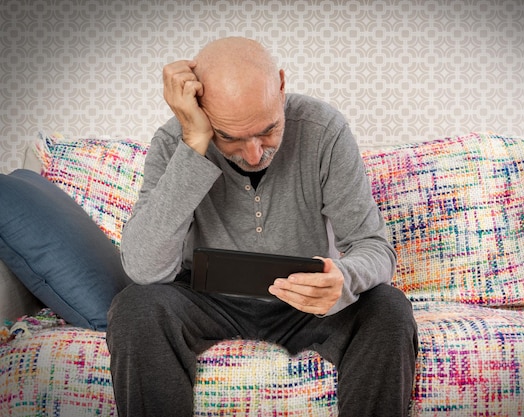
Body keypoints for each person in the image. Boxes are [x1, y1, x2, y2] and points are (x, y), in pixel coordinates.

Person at [106, 36, 417, 417]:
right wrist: (195, 144)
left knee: (388, 307)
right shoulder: (176, 142)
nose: (254, 154)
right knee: (135, 308)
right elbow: (144, 268)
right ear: (201, 111)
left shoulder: (324, 130)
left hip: (305, 305)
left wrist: (344, 277)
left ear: (282, 85)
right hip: (208, 302)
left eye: (268, 130)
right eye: (230, 137)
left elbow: (374, 247)